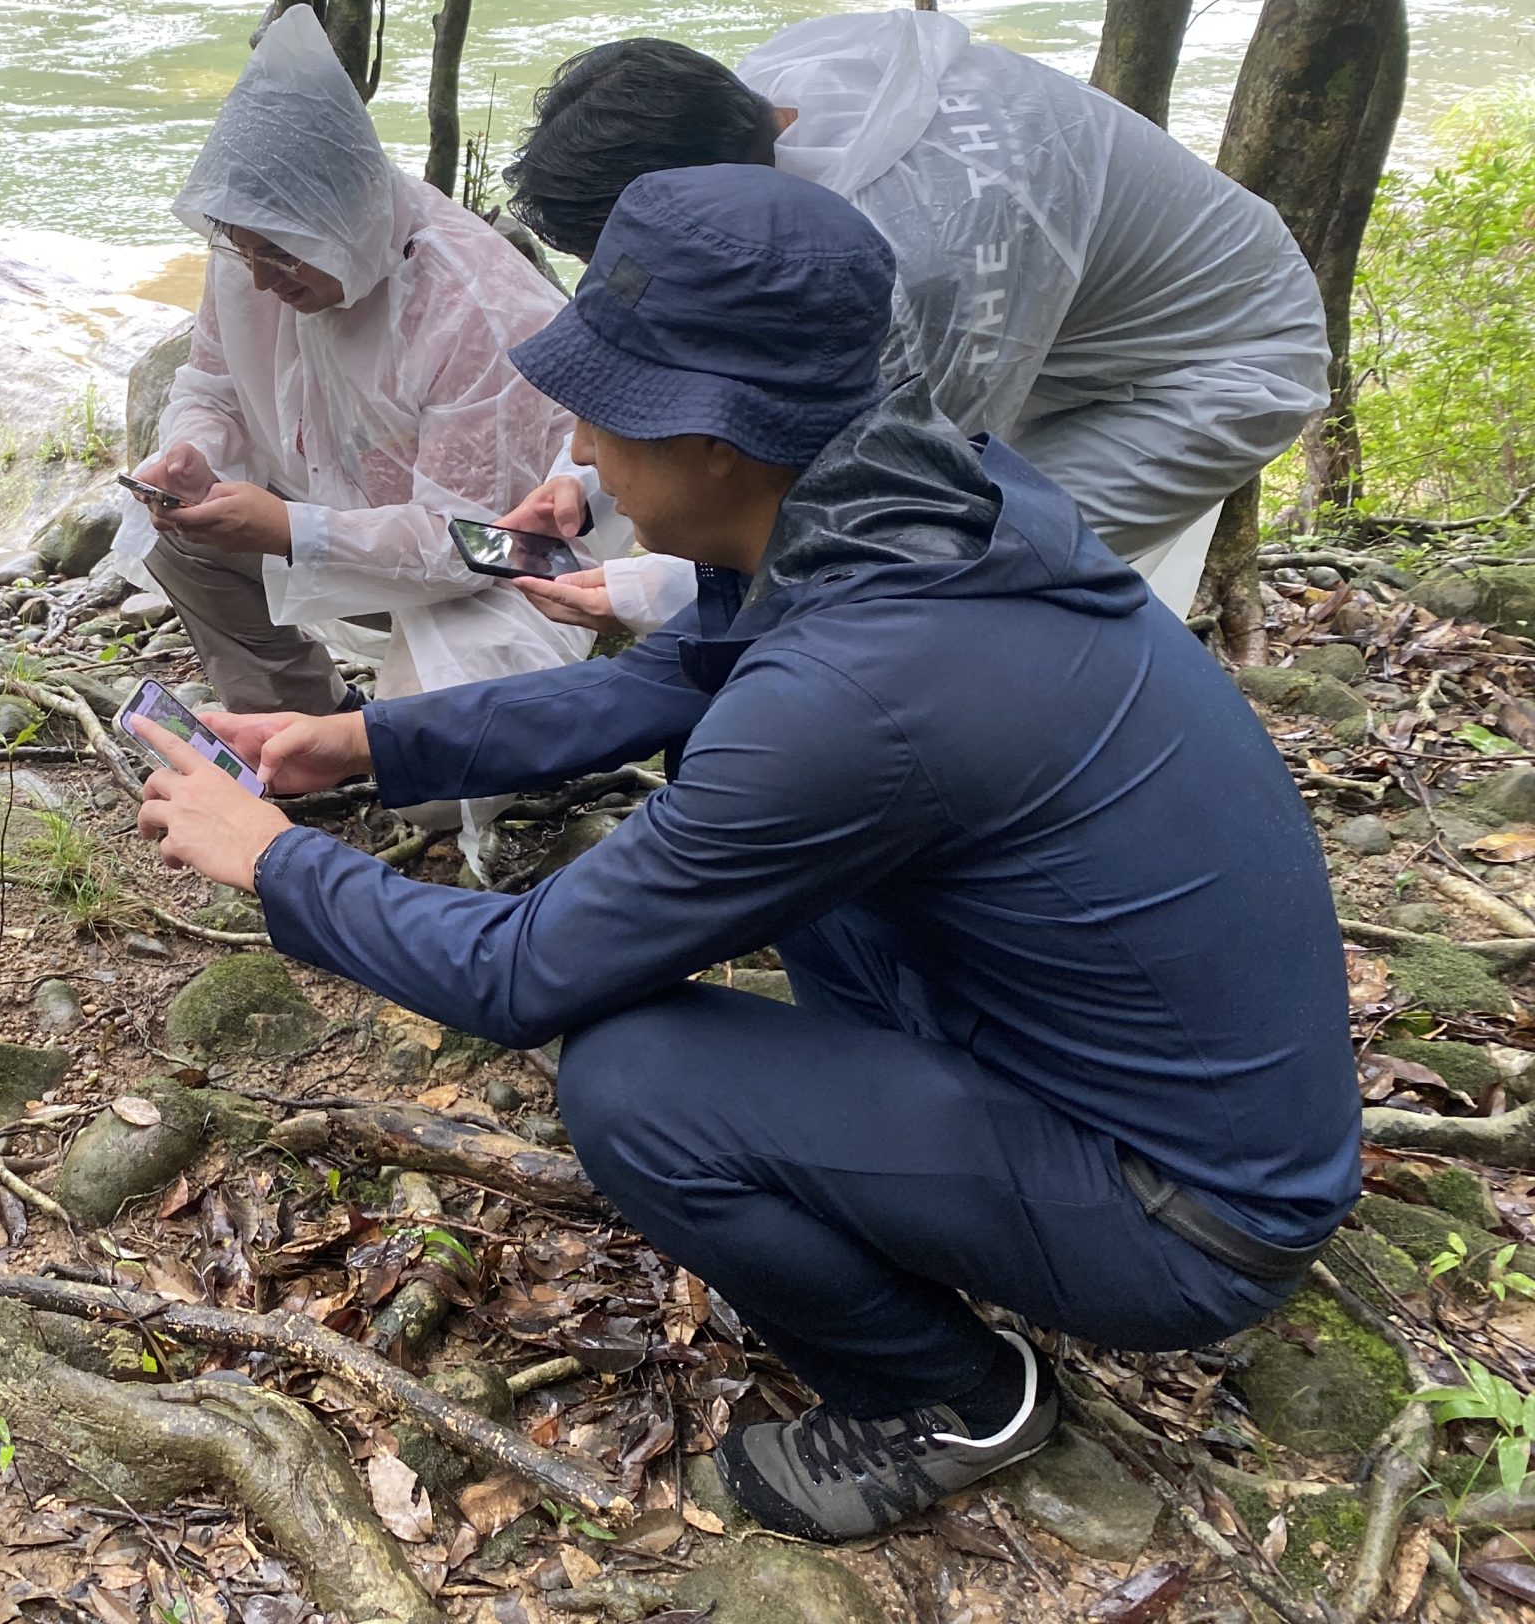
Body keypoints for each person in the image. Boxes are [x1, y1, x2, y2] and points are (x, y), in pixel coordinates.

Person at [123, 164, 1359, 1542]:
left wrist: (274, 860)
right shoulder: (905, 497)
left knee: (639, 1079)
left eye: (605, 410)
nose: (581, 451)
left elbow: (522, 976)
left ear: (716, 440)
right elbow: (672, 683)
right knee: (769, 873)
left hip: (1186, 1216)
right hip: (1170, 1094)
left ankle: (951, 1397)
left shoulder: (860, 689)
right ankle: (940, 1197)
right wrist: (358, 744)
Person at [492, 11, 1328, 631]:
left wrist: (659, 592)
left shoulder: (922, 257)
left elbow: (889, 505)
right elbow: (707, 366)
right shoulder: (737, 117)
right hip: (1062, 319)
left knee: (966, 578)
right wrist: (595, 488)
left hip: (1214, 366)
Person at [110, 5, 598, 854]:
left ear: (346, 220)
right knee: (177, 532)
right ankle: (299, 727)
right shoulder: (254, 263)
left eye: (282, 256)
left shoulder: (472, 308)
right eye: (242, 249)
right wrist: (192, 452)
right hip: (339, 518)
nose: (260, 280)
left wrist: (288, 528)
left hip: (510, 578)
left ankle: (385, 741)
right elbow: (211, 383)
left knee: (436, 792)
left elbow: (479, 545)